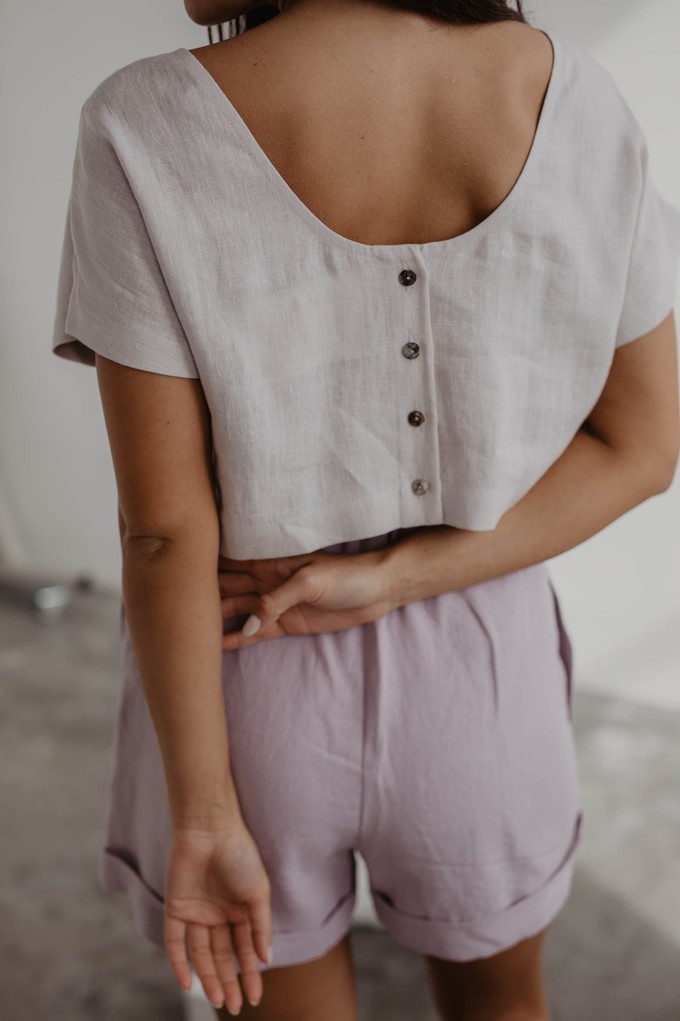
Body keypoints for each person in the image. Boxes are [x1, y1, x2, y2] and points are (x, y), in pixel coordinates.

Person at [51, 0, 680, 1017]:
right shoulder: (567, 95)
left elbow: (163, 531)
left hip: (244, 659)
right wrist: (399, 576)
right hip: (481, 667)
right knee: (501, 1007)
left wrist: (204, 811)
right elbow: (642, 447)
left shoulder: (142, 119)